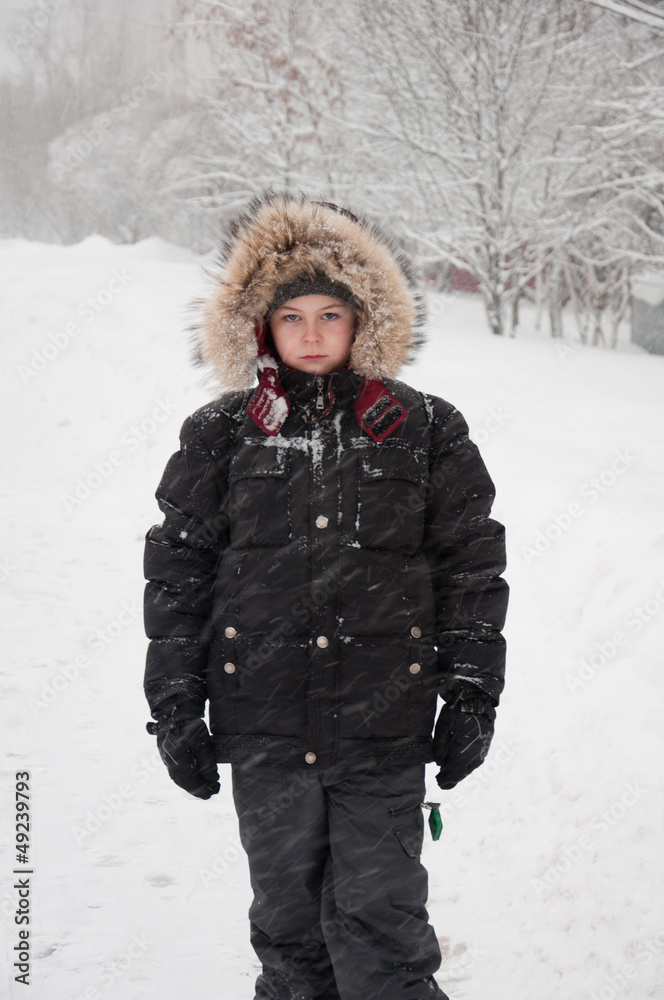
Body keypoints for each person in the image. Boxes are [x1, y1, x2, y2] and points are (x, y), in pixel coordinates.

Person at [143, 192, 508, 1000]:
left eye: (331, 315)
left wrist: (471, 694)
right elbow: (178, 577)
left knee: (384, 933)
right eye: (292, 316)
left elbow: (471, 569)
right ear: (261, 327)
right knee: (289, 937)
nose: (312, 334)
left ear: (363, 320)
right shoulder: (221, 434)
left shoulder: (425, 430)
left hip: (382, 734)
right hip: (266, 734)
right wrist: (174, 707)